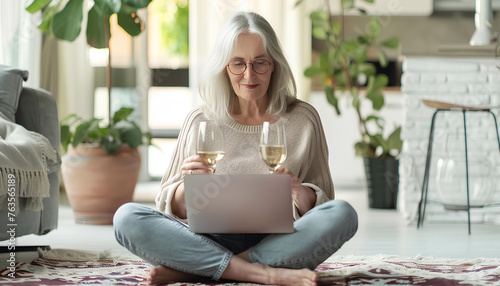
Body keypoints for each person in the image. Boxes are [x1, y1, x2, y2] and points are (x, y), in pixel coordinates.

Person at [114, 11, 358, 286]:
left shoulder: (303, 119)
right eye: (238, 63)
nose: (249, 74)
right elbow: (167, 207)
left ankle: (199, 269)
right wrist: (188, 187)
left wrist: (299, 192)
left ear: (274, 64)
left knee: (343, 214)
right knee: (127, 217)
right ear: (224, 67)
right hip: (207, 239)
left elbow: (324, 206)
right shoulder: (201, 120)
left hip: (278, 240)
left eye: (260, 63)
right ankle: (261, 272)